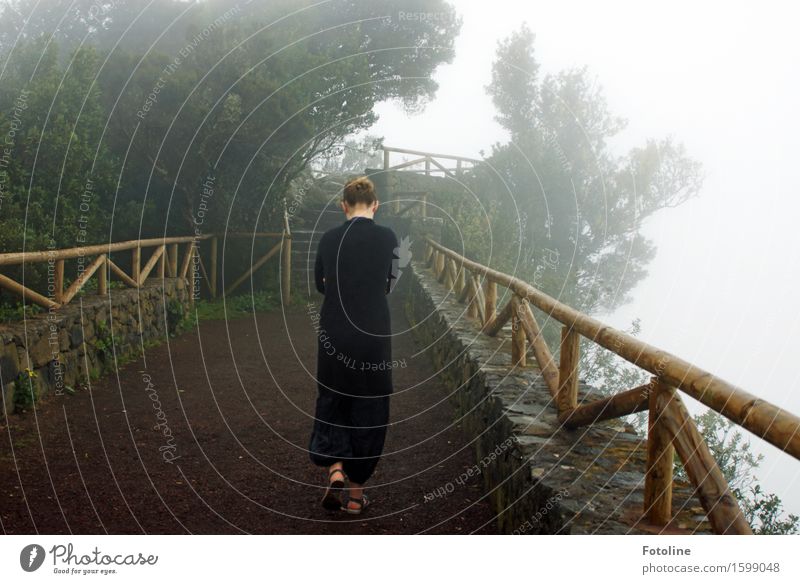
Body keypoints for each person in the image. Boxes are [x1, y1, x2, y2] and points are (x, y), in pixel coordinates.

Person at [308, 176, 400, 515]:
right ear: (375, 205)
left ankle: (334, 469)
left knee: (333, 400)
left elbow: (319, 284)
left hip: (334, 330)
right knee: (369, 410)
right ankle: (356, 497)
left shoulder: (330, 239)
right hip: (373, 336)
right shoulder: (388, 237)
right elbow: (390, 283)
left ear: (343, 206)